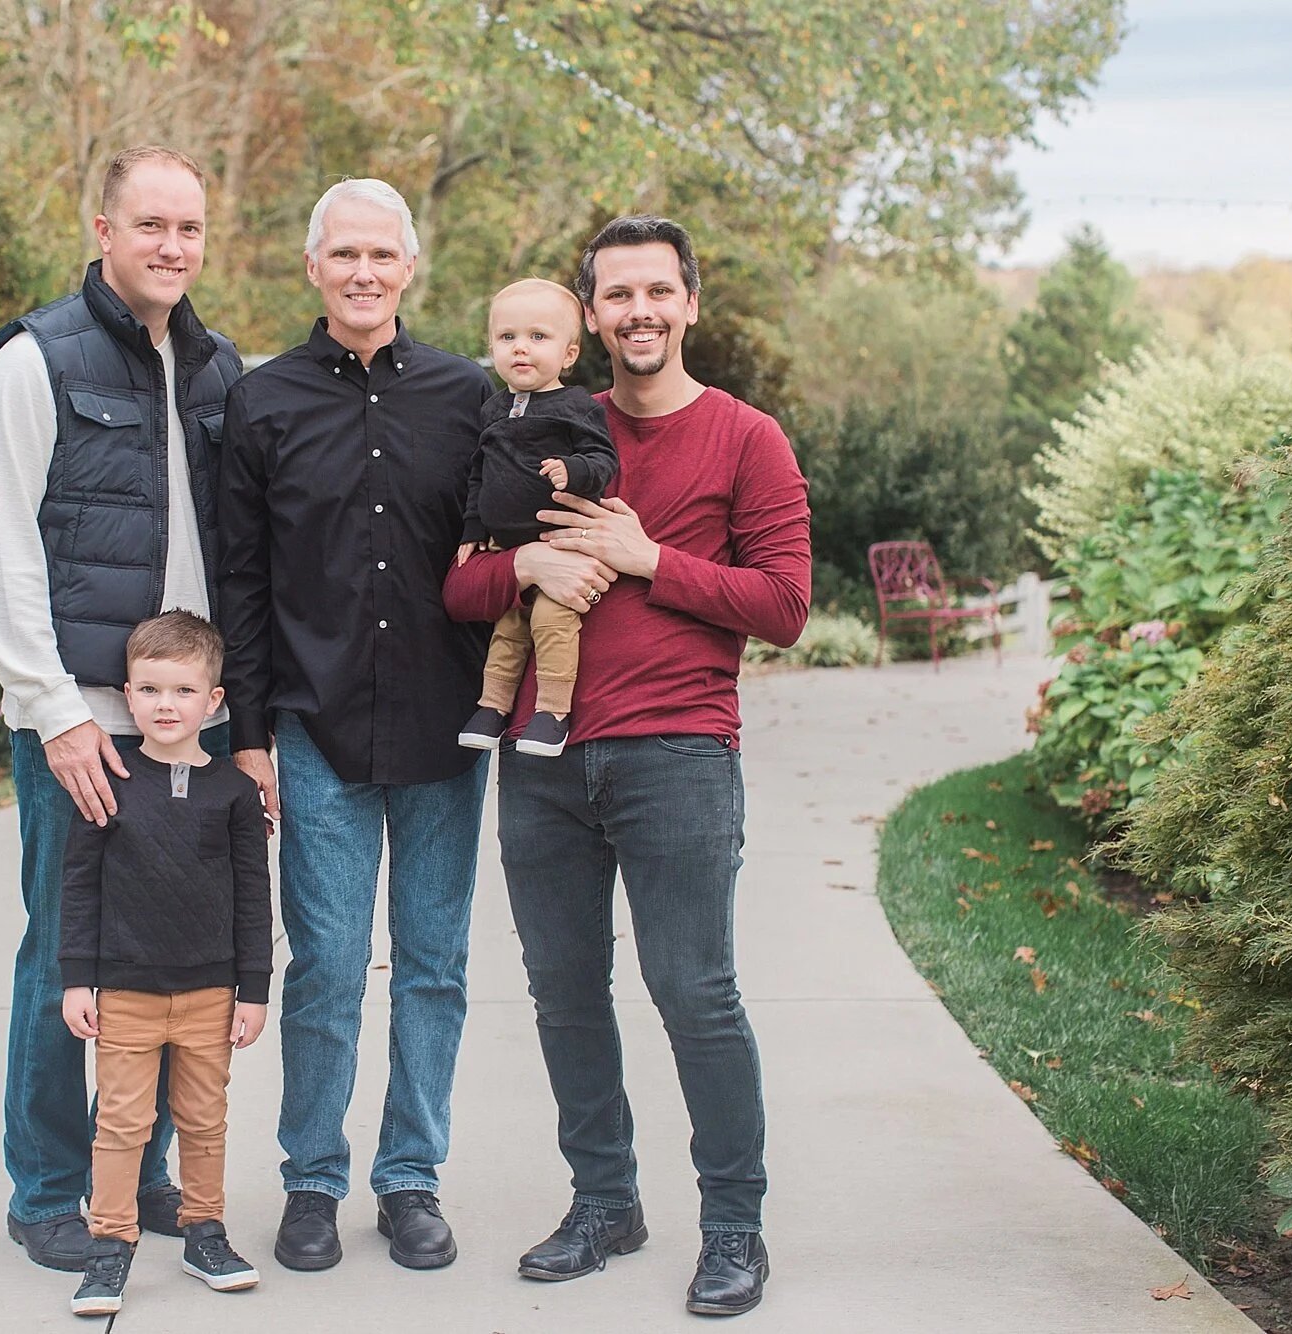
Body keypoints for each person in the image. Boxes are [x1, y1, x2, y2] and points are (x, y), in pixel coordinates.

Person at [442, 215, 811, 1317]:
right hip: (542, 760)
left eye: (658, 291)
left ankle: (733, 1226)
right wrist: (532, 557)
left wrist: (649, 559)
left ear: (689, 303)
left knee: (693, 992)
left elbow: (785, 605)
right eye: (616, 295)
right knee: (562, 994)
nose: (637, 312)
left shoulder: (748, 438)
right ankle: (604, 1201)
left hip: (678, 756)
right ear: (589, 314)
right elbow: (458, 587)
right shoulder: (542, 419)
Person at [0, 144, 243, 1272]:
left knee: (176, 958)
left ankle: (144, 1171)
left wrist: (239, 721)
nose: (171, 246)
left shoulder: (217, 368)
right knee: (67, 952)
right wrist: (52, 710)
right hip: (81, 720)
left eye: (189, 228)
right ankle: (45, 1186)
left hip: (193, 722)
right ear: (101, 228)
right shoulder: (33, 361)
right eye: (149, 225)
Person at [217, 178, 493, 1273]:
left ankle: (411, 1175)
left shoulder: (467, 397)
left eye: (382, 255)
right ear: (312, 267)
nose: (364, 273)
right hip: (314, 728)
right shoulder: (261, 401)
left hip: (441, 730)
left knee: (433, 963)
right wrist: (246, 733)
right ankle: (312, 1181)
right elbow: (240, 578)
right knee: (325, 962)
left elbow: (500, 555)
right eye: (345, 255)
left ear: (409, 268)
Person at [58, 612, 272, 1317]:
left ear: (214, 701)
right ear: (126, 694)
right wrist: (75, 980)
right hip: (126, 990)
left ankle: (203, 1232)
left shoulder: (234, 793)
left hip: (211, 991)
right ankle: (110, 1246)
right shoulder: (108, 782)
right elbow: (79, 888)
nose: (165, 705)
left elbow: (252, 894)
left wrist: (254, 990)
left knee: (204, 1120)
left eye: (183, 690)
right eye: (149, 689)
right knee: (121, 1124)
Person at [453, 278, 619, 757]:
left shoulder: (574, 407)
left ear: (568, 354)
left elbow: (605, 460)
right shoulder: (494, 410)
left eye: (538, 338)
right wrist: (472, 529)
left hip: (561, 545)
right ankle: (492, 707)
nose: (521, 348)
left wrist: (574, 471)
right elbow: (478, 475)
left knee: (550, 621)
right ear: (492, 348)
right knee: (507, 631)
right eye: (507, 338)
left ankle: (551, 712)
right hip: (507, 550)